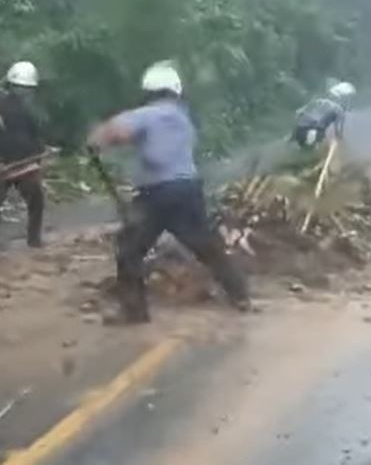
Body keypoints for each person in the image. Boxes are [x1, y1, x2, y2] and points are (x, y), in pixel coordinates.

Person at [87, 61, 250, 324]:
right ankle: (239, 294)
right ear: (176, 90)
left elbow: (114, 131)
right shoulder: (185, 117)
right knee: (205, 244)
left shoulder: (146, 114)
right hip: (189, 189)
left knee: (130, 250)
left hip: (156, 194)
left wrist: (96, 140)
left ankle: (134, 312)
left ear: (149, 91)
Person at [0, 61, 45, 248]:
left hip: (24, 164)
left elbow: (31, 135)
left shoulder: (28, 111)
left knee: (36, 201)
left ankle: (34, 240)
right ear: (12, 86)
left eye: (27, 89)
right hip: (3, 164)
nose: (25, 92)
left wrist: (39, 151)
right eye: (21, 88)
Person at [292, 80, 355, 149]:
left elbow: (298, 112)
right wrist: (342, 143)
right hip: (315, 132)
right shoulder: (339, 110)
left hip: (300, 130)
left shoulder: (317, 101)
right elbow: (338, 132)